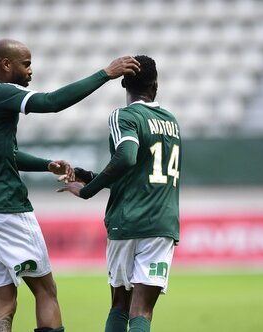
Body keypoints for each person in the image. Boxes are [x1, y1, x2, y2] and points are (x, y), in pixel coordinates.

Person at [0, 39, 140, 332]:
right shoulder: (0, 92)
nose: (30, 70)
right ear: (6, 64)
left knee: (3, 301)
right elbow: (51, 103)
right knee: (45, 291)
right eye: (26, 64)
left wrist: (45, 164)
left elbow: (2, 153)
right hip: (2, 207)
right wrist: (106, 73)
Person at [57, 55, 181, 332]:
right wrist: (89, 175)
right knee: (143, 311)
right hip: (162, 224)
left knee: (120, 306)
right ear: (156, 85)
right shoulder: (171, 123)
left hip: (127, 222)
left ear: (124, 84)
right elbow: (140, 178)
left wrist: (87, 190)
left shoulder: (124, 115)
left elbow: (126, 157)